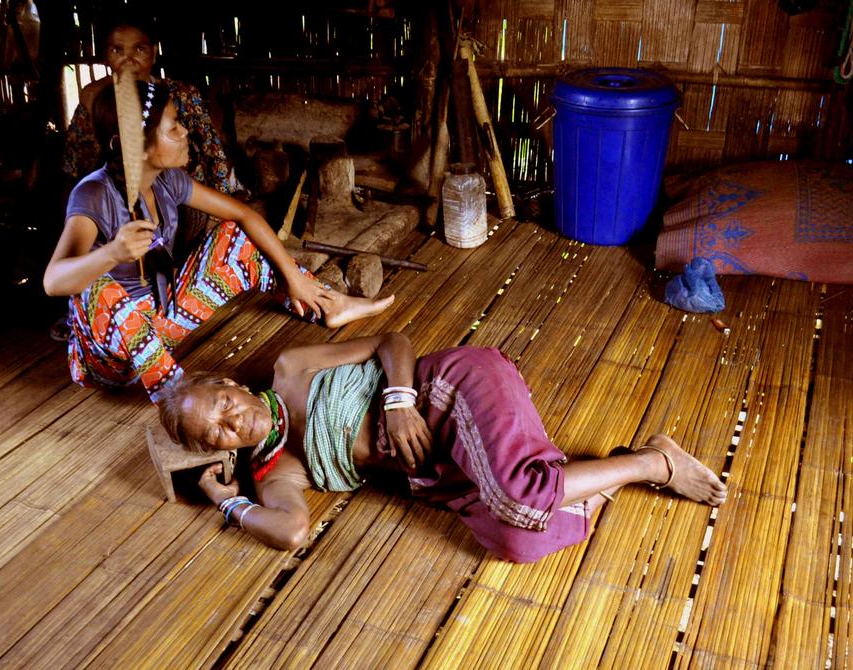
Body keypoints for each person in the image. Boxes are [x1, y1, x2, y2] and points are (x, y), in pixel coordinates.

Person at [155, 332, 728, 563]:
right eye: (219, 435)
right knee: (514, 542)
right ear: (219, 452)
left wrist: (400, 399)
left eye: (225, 408)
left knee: (514, 497)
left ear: (230, 385)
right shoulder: (280, 470)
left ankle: (657, 463)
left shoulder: (290, 370)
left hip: (447, 388)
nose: (235, 424)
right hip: (445, 469)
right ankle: (611, 473)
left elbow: (390, 340)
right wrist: (226, 501)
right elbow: (291, 533)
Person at [43, 80, 393, 403]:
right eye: (173, 126)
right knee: (97, 287)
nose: (185, 131)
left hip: (161, 329)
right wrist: (111, 253)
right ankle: (180, 396)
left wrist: (296, 278)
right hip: (112, 360)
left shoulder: (167, 181)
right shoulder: (93, 194)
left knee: (234, 237)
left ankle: (327, 305)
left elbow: (245, 216)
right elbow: (54, 281)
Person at [61, 10, 236, 196]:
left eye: (139, 49)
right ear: (106, 57)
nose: (128, 60)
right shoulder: (95, 101)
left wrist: (221, 203)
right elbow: (73, 166)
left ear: (153, 53)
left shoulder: (183, 95)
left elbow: (213, 153)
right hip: (121, 204)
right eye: (117, 50)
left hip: (188, 199)